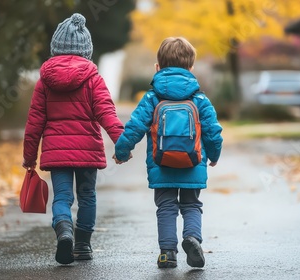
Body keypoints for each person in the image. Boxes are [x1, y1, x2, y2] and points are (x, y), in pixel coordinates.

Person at [22, 13, 124, 265]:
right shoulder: (94, 79)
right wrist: (122, 143)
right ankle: (82, 246)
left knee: (63, 198)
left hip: (57, 154)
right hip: (88, 151)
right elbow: (107, 113)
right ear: (86, 50)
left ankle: (64, 230)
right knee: (87, 196)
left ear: (55, 48)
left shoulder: (44, 81)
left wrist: (29, 157)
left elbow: (34, 123)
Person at [113, 37, 223, 268]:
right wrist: (214, 155)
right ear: (191, 68)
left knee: (166, 207)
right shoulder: (199, 99)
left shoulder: (152, 98)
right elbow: (213, 132)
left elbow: (134, 127)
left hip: (161, 163)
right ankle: (192, 238)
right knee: (192, 205)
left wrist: (122, 152)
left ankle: (167, 254)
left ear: (157, 67)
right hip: (193, 163)